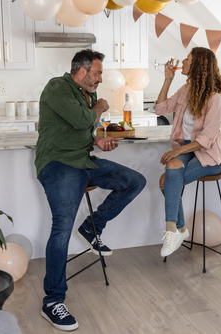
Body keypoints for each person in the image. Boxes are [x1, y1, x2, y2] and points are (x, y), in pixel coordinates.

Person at [35, 49, 146, 331]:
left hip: (84, 161)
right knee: (61, 227)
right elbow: (84, 119)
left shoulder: (89, 95)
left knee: (134, 180)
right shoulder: (57, 87)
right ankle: (52, 301)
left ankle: (92, 226)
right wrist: (101, 108)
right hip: (59, 164)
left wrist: (98, 140)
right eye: (97, 73)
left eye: (100, 73)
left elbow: (85, 129)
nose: (100, 78)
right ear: (81, 71)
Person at [155, 47, 221, 257]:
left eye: (187, 59)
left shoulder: (216, 99)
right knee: (171, 169)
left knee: (165, 180)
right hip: (187, 147)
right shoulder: (186, 90)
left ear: (197, 66)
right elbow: (160, 109)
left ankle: (177, 231)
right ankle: (176, 230)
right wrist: (168, 79)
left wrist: (177, 152)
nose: (183, 62)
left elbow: (205, 139)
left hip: (209, 156)